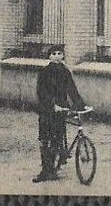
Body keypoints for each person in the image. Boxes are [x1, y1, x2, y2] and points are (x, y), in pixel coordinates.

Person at [34, 46, 84, 182]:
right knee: (45, 139)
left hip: (61, 109)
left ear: (63, 56)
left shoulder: (65, 72)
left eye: (59, 53)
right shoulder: (44, 72)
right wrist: (52, 105)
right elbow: (41, 92)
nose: (57, 56)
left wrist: (80, 104)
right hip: (47, 109)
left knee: (57, 138)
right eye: (53, 54)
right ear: (49, 56)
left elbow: (72, 89)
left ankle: (54, 167)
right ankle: (45, 170)